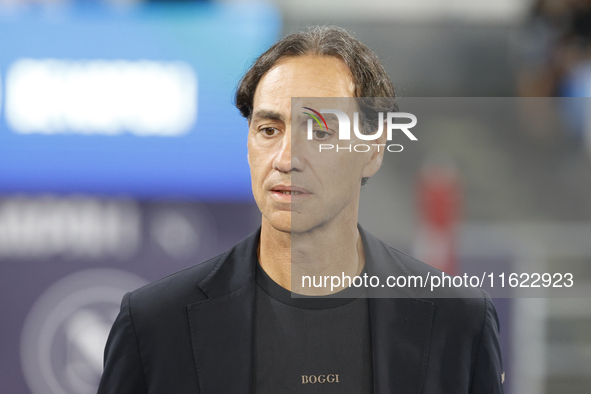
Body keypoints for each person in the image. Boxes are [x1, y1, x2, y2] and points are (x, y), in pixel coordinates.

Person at [98, 25, 504, 393]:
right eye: (269, 130)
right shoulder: (154, 324)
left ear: (373, 149)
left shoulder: (459, 321)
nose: (286, 157)